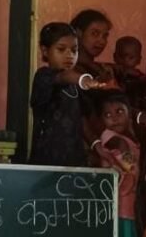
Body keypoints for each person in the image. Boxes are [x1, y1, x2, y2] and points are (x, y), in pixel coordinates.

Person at [29, 22, 104, 167]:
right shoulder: (43, 76)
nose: (69, 55)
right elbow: (63, 77)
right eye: (61, 49)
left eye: (74, 50)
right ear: (45, 51)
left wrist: (97, 146)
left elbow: (82, 120)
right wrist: (83, 79)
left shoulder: (75, 86)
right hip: (47, 161)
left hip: (74, 161)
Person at [93, 94, 144, 237]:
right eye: (107, 115)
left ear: (130, 113)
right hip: (117, 205)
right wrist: (125, 152)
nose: (114, 118)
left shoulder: (131, 137)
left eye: (119, 112)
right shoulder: (109, 136)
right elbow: (118, 147)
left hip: (127, 203)